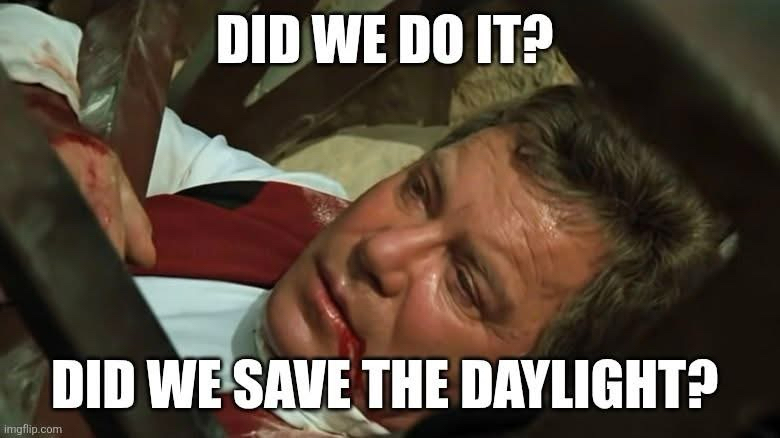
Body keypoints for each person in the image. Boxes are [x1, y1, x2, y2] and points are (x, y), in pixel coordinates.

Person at [0, 4, 725, 437]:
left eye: (467, 283)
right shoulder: (297, 207)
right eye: (422, 191)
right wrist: (52, 129)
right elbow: (35, 43)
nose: (383, 250)